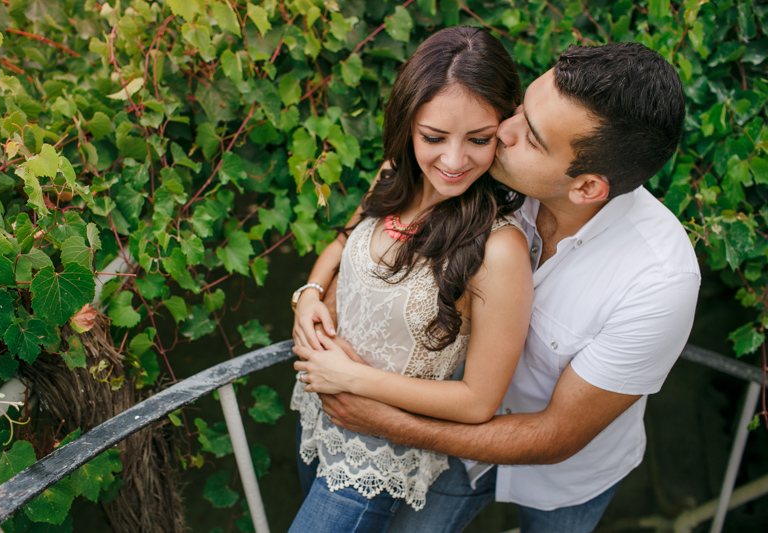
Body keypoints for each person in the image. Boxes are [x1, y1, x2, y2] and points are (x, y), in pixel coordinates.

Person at [295, 41, 701, 532]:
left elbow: (555, 436)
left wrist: (384, 420)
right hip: (449, 442)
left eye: (529, 137)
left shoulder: (658, 284)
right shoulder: (480, 172)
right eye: (521, 109)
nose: (501, 132)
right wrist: (315, 292)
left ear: (586, 188)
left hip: (559, 472)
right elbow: (373, 231)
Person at [287, 27, 532, 533]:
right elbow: (343, 243)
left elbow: (478, 401)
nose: (453, 160)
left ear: (504, 129)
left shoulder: (499, 248)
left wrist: (352, 379)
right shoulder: (394, 175)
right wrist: (310, 294)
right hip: (314, 415)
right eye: (434, 137)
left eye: (479, 139)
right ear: (408, 124)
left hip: (373, 463)